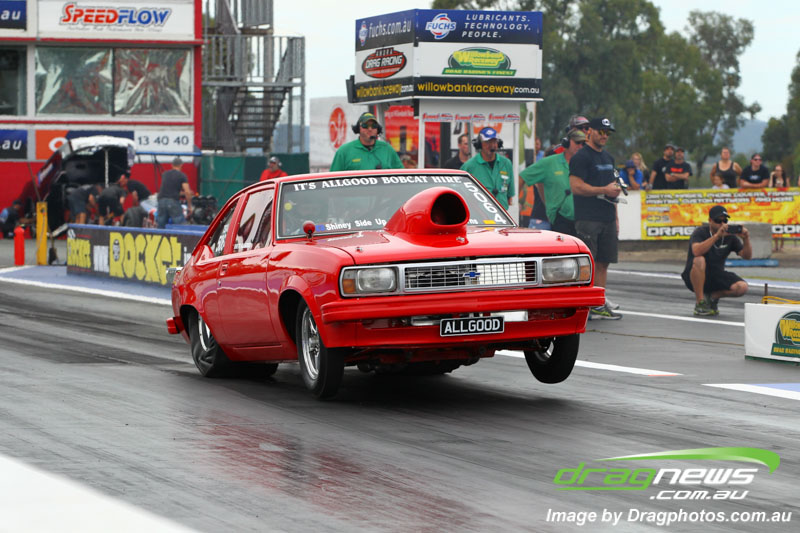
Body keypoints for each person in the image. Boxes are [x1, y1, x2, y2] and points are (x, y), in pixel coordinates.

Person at [569, 117, 623, 319]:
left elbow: (612, 187)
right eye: (601, 131)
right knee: (588, 263)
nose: (604, 136)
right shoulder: (581, 157)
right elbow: (576, 186)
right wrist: (603, 189)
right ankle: (584, 304)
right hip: (588, 217)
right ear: (589, 131)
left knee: (604, 262)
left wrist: (616, 215)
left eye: (607, 133)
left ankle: (598, 304)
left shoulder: (608, 158)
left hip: (607, 215)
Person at [681, 205, 751, 316]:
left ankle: (711, 297)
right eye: (718, 221)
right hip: (694, 276)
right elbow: (696, 251)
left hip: (716, 275)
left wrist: (746, 239)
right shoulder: (700, 232)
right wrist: (716, 236)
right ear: (710, 220)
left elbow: (747, 256)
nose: (722, 224)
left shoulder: (730, 236)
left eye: (725, 221)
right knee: (699, 260)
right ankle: (700, 303)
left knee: (742, 287)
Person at [520, 128, 587, 236]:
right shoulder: (549, 162)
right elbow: (523, 177)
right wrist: (512, 202)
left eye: (583, 144)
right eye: (577, 142)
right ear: (566, 143)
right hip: (560, 219)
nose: (580, 146)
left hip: (584, 220)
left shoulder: (586, 163)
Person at [461, 127, 515, 210]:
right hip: (479, 214)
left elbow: (510, 195)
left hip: (501, 215)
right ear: (479, 144)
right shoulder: (469, 166)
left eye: (494, 142)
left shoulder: (506, 163)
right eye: (488, 142)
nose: (492, 145)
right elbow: (461, 194)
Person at [329, 112, 403, 171]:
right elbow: (333, 180)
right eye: (365, 125)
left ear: (378, 129)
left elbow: (402, 175)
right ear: (358, 128)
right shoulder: (344, 151)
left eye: (373, 126)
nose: (370, 129)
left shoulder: (388, 149)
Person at [157, 157, 194, 228]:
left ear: (172, 165)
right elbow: (187, 192)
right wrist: (190, 206)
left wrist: (182, 193)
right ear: (181, 165)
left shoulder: (165, 174)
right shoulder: (182, 175)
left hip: (161, 201)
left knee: (161, 226)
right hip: (173, 202)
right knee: (180, 226)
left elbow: (170, 190)